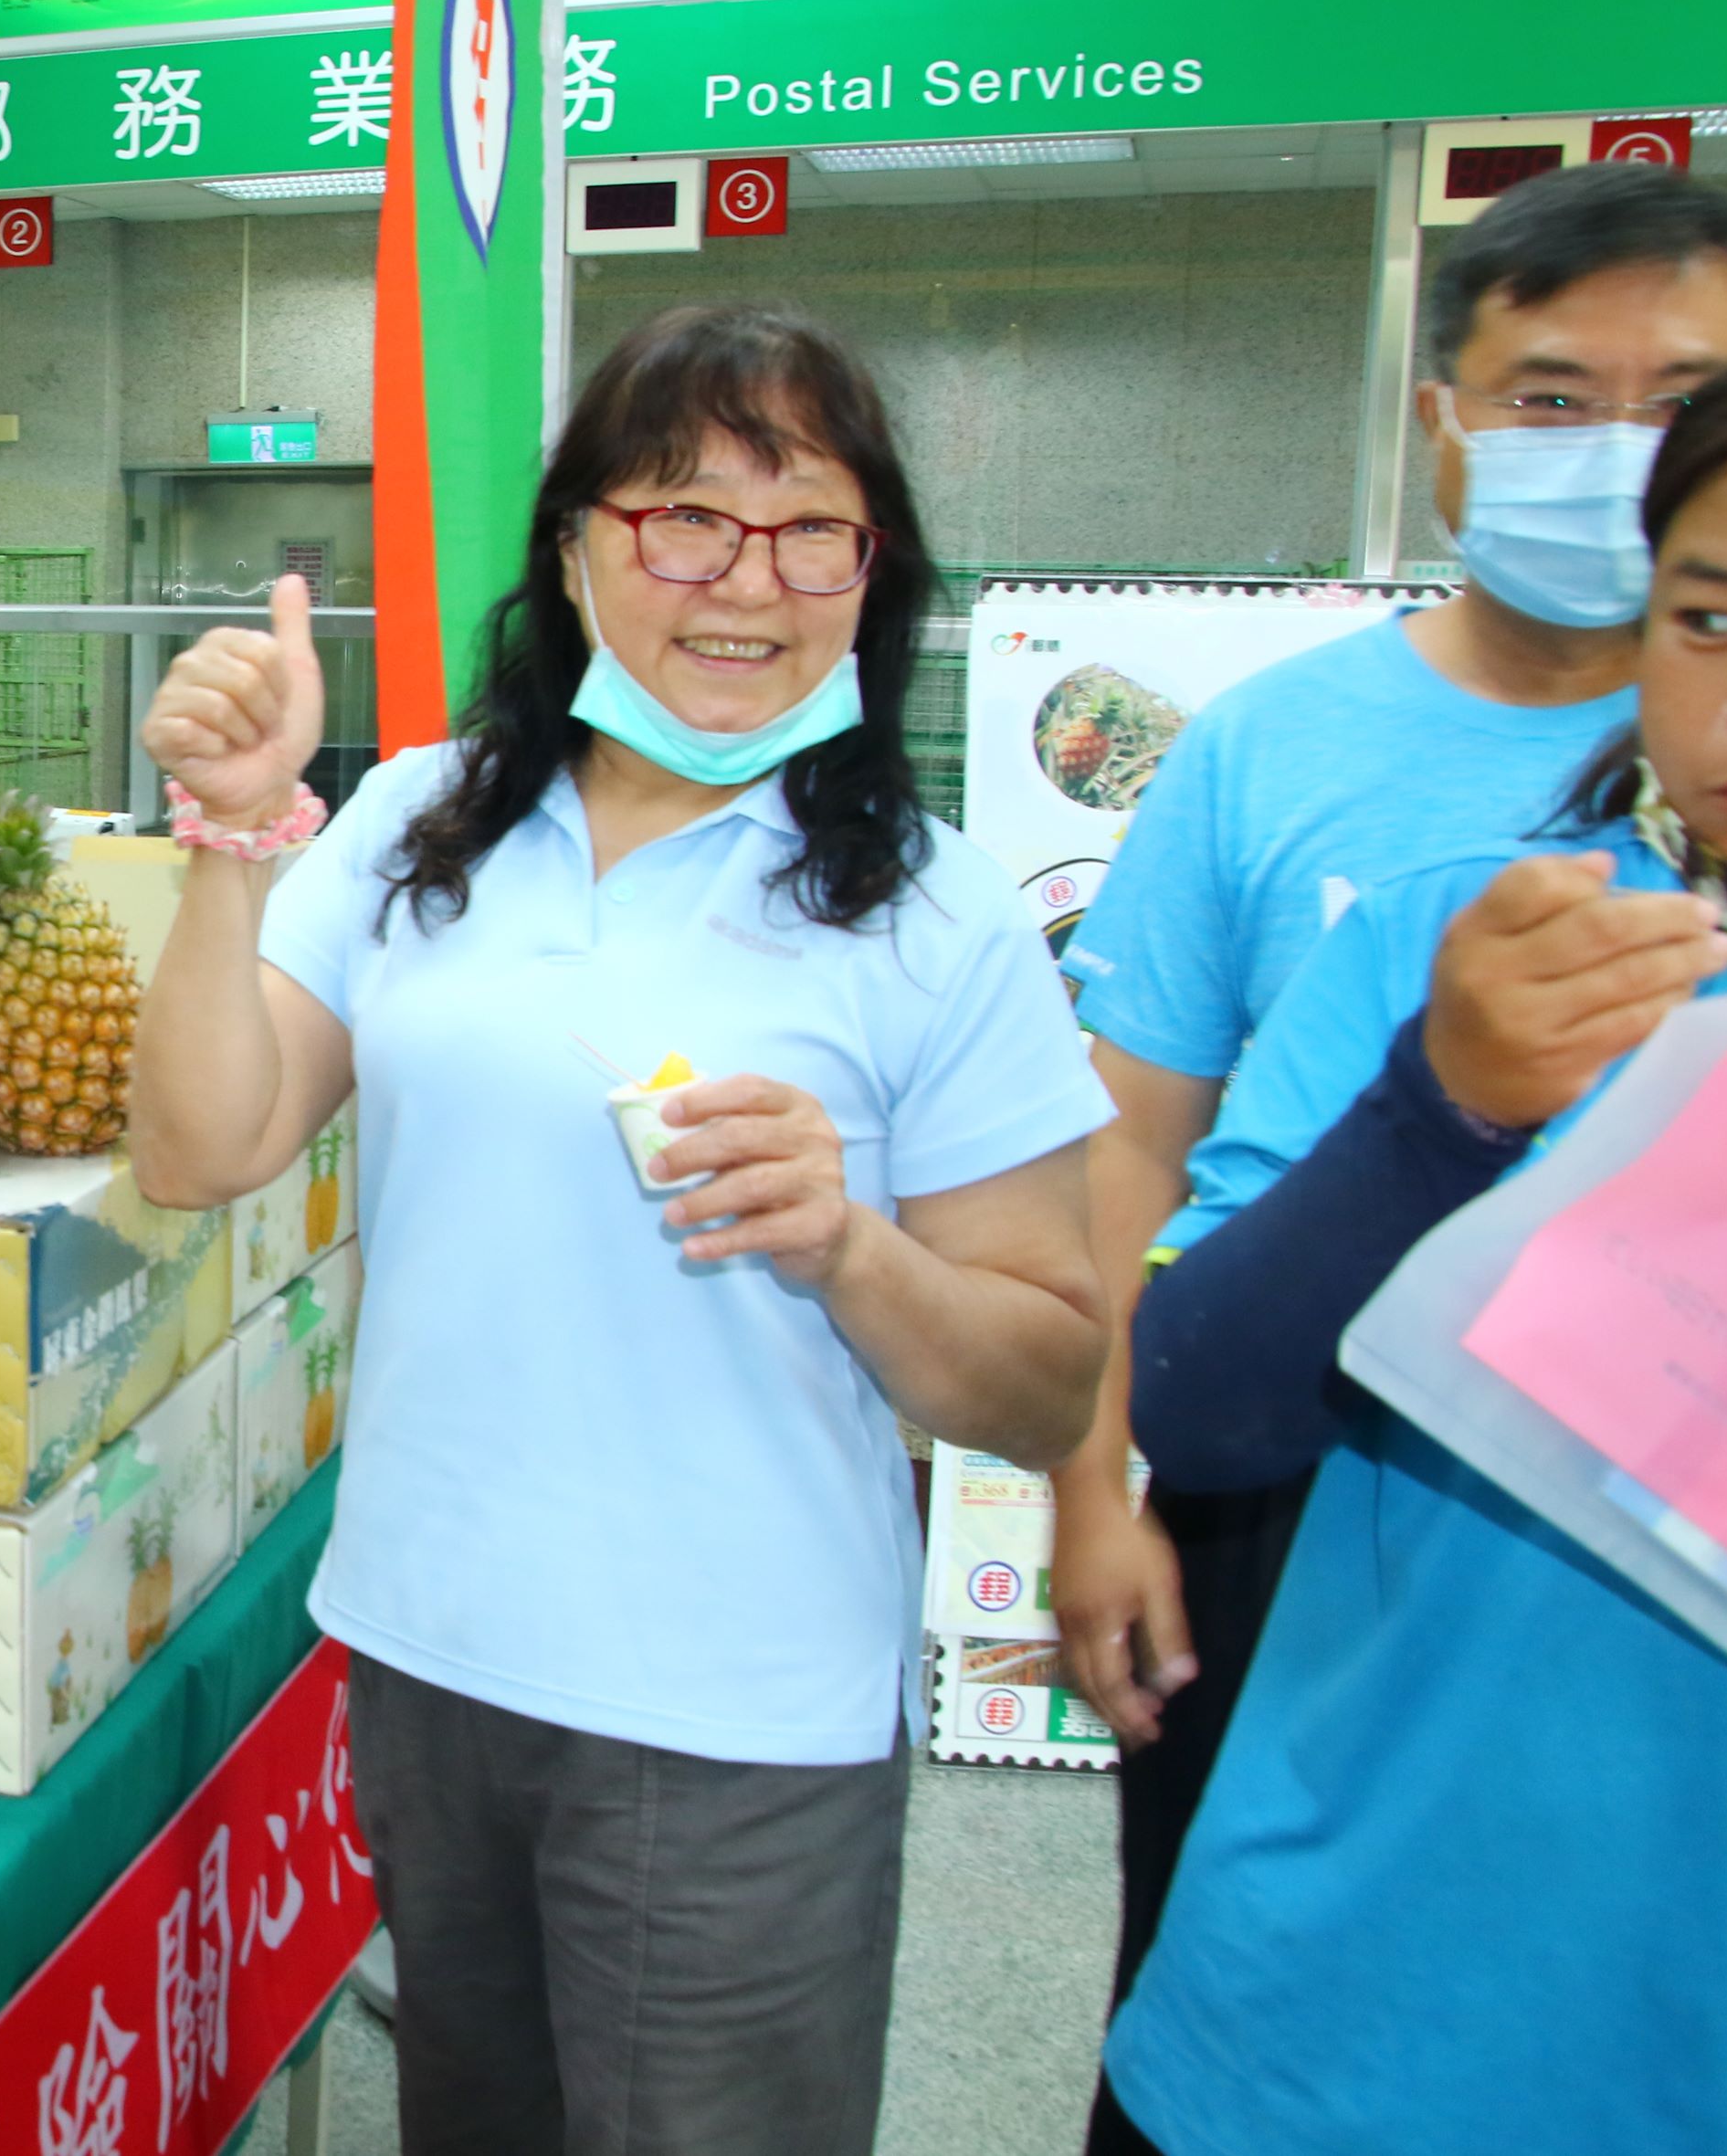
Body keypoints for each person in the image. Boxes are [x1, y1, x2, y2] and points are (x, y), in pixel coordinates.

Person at [130, 307, 1111, 2155]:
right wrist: (232, 835)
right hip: (430, 1653)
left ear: (867, 570)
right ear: (574, 544)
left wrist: (848, 1242)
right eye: (679, 516)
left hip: (732, 1707)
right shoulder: (425, 820)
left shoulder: (929, 913)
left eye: (807, 526)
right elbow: (202, 1145)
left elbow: (1045, 1381)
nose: (743, 582)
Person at [1047, 161, 1727, 2008]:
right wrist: (1089, 1485)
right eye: (1548, 402)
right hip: (1295, 1500)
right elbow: (1129, 1151)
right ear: (1442, 431)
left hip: (1639, 1643)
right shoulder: (1277, 758)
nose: (1617, 449)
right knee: (1232, 1960)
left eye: (1677, 399)